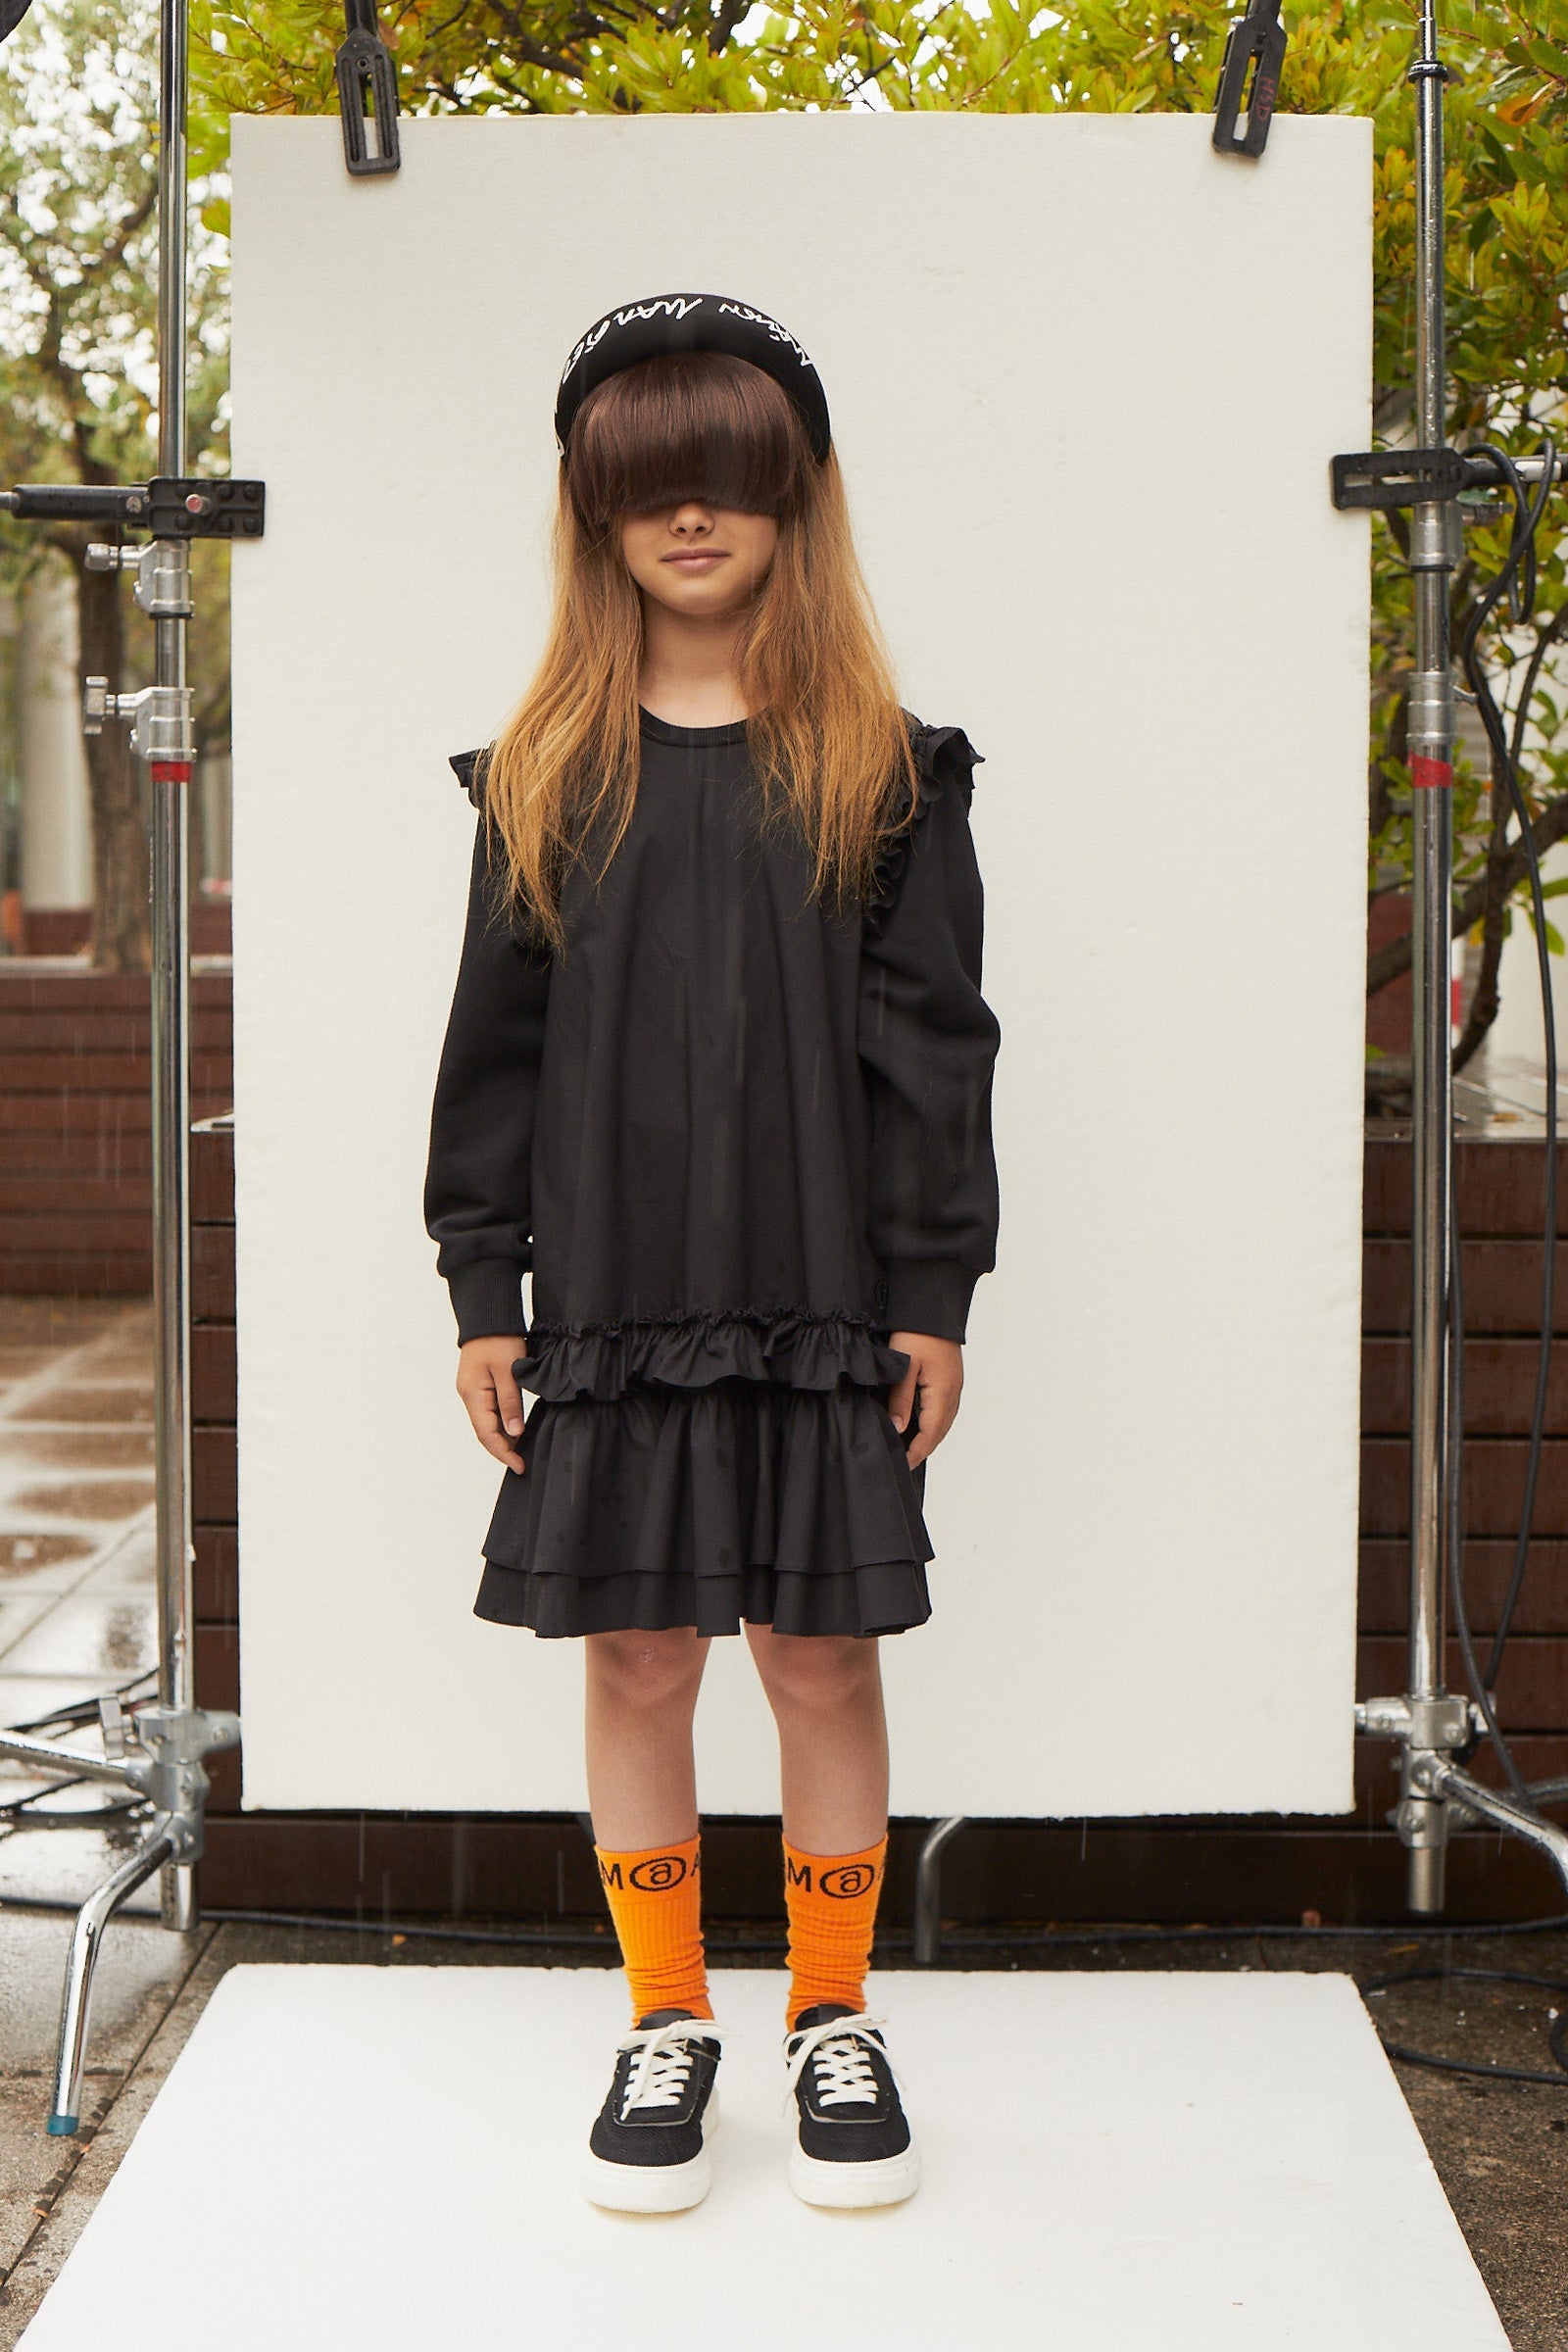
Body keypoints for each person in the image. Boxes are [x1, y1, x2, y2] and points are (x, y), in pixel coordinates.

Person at [423, 292, 1001, 2216]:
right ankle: (664, 2016)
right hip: (608, 1300)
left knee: (818, 1653)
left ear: (792, 501)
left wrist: (931, 1294)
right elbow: (492, 1057)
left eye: (729, 482)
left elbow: (935, 1053)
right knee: (639, 1652)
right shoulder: (546, 772)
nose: (689, 519)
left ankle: (831, 2010)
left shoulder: (884, 771)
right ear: (593, 510)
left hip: (823, 1289)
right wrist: (483, 1289)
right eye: (648, 485)